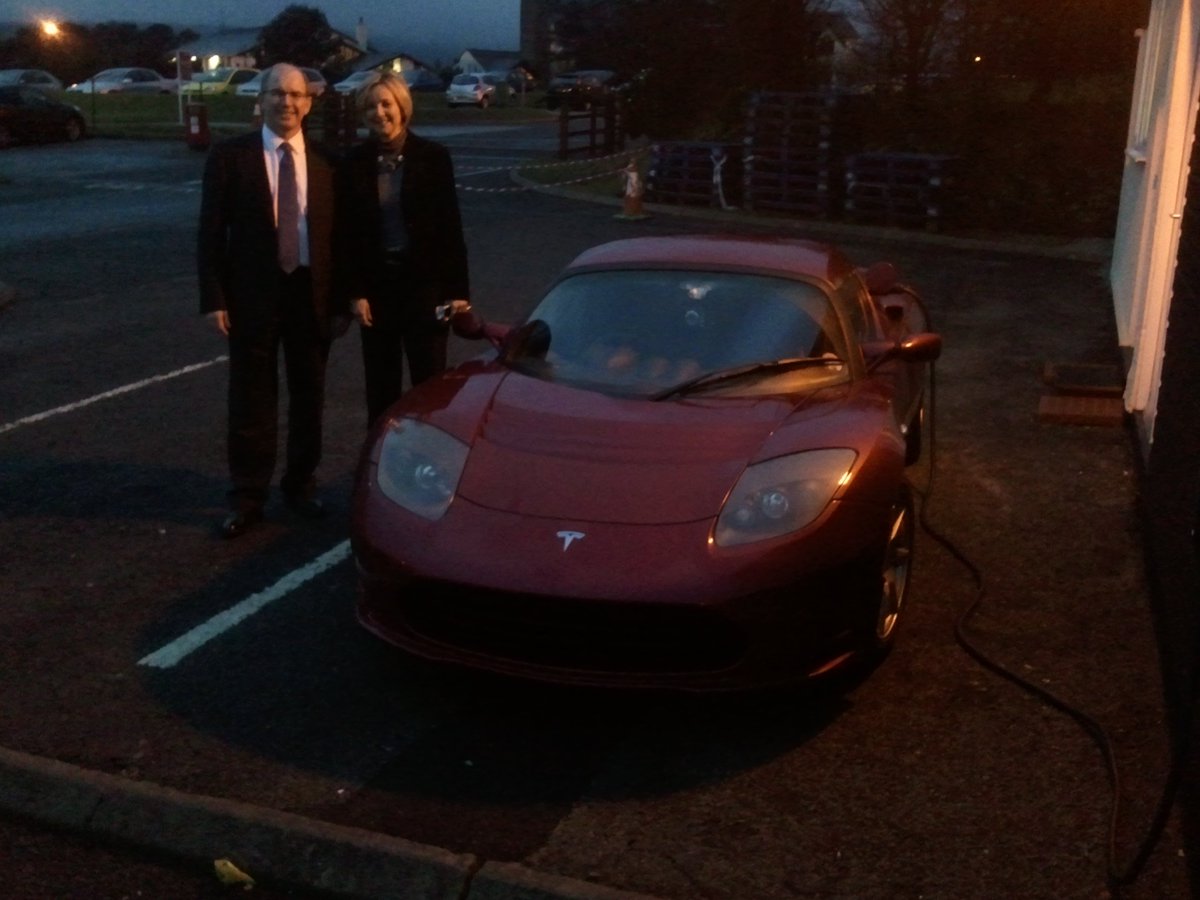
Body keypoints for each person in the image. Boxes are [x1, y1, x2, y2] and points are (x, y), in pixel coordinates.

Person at [197, 63, 344, 538]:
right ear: (259, 99)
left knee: (309, 397)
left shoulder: (327, 161)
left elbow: (340, 237)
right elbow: (211, 232)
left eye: (296, 95)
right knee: (250, 399)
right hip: (251, 297)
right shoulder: (229, 157)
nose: (287, 102)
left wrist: (340, 300)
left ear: (309, 101)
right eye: (277, 93)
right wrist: (214, 296)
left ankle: (300, 486)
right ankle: (247, 495)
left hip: (310, 295)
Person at [336, 71, 471, 427]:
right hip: (377, 290)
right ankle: (381, 461)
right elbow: (347, 234)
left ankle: (427, 464)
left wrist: (457, 291)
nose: (379, 113)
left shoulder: (433, 157)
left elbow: (449, 226)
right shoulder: (352, 164)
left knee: (429, 386)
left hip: (425, 289)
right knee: (380, 390)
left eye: (386, 104)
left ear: (402, 107)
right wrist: (354, 292)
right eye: (370, 106)